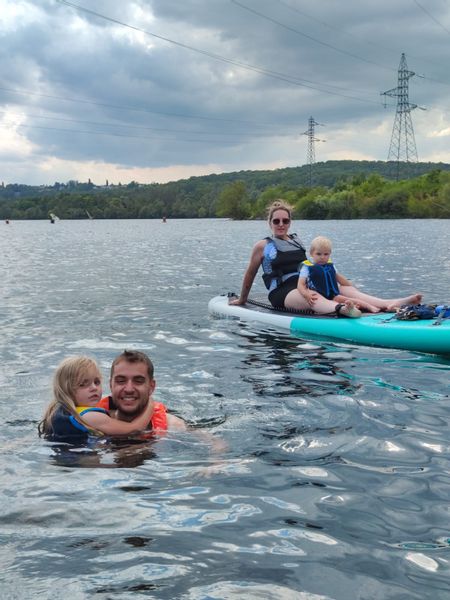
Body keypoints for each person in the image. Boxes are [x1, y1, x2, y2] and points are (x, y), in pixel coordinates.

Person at [230, 200, 362, 317]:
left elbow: (310, 267)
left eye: (285, 221)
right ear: (270, 223)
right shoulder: (262, 246)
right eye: (276, 221)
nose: (281, 224)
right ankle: (342, 309)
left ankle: (373, 304)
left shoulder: (297, 242)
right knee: (313, 297)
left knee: (342, 288)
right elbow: (250, 273)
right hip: (282, 291)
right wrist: (242, 299)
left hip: (304, 285)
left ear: (290, 222)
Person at [38, 356, 156, 443]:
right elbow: (134, 429)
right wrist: (150, 406)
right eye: (83, 384)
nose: (94, 388)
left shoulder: (57, 410)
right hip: (85, 462)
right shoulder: (91, 416)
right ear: (66, 390)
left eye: (97, 382)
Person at [298, 236, 423, 313]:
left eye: (326, 254)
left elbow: (340, 279)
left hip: (333, 295)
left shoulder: (330, 266)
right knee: (346, 301)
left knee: (350, 299)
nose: (322, 257)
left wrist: (351, 287)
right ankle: (359, 307)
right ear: (312, 253)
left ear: (329, 254)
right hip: (320, 296)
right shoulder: (307, 267)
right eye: (319, 254)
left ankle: (374, 306)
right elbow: (301, 285)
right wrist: (306, 294)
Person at [97, 350, 187, 432]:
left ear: (151, 387)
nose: (129, 389)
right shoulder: (93, 421)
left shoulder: (175, 427)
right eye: (121, 381)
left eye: (138, 381)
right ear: (111, 385)